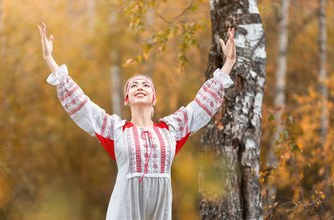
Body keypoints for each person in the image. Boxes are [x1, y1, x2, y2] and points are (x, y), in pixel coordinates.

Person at [38, 22, 236, 220]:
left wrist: (229, 62)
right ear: (127, 98)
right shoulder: (116, 130)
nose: (139, 87)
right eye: (133, 85)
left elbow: (201, 105)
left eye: (145, 85)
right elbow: (83, 105)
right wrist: (49, 59)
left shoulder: (170, 129)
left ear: (154, 98)